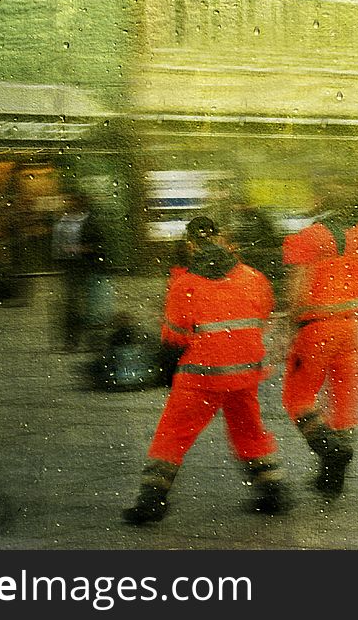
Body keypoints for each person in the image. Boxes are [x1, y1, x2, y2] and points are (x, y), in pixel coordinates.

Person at [123, 216, 292, 524]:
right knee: (249, 430)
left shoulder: (184, 284)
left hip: (201, 375)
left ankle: (151, 498)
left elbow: (174, 336)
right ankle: (273, 489)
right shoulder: (253, 278)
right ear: (222, 240)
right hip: (244, 372)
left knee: (173, 434)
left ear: (190, 245)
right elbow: (262, 316)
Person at [280, 220, 358, 498]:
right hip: (352, 329)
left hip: (316, 328)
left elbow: (298, 289)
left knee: (297, 399)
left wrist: (289, 328)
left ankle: (331, 450)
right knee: (345, 406)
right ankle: (332, 478)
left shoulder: (308, 238)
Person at [51, 192, 110, 351]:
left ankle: (93, 341)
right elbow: (57, 245)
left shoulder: (91, 221)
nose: (70, 204)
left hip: (89, 267)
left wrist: (81, 249)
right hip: (72, 268)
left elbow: (100, 245)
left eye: (74, 201)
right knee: (73, 305)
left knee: (92, 306)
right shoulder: (64, 221)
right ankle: (72, 340)